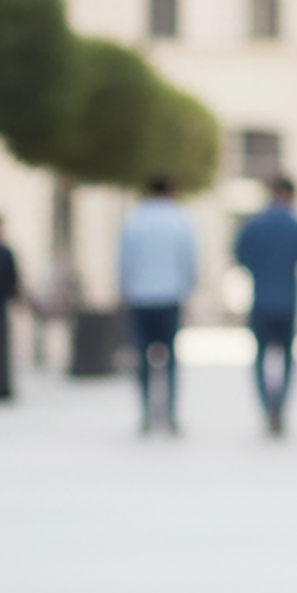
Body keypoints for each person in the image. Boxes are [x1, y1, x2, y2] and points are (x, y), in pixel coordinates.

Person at [233, 176, 297, 435]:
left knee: (260, 357)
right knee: (288, 357)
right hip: (288, 302)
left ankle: (268, 407)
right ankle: (280, 408)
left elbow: (239, 256)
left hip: (261, 300)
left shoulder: (253, 226)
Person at [116, 174, 197, 433]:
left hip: (140, 297)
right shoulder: (180, 221)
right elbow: (189, 260)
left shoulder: (134, 221)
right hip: (170, 297)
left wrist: (124, 289)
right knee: (170, 359)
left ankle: (145, 414)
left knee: (142, 358)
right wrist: (188, 288)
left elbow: (124, 261)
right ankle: (170, 413)